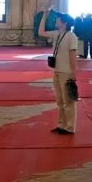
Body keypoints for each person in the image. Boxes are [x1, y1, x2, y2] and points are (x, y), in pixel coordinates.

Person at [37, 7, 79, 135]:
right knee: (60, 101)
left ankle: (70, 127)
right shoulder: (57, 33)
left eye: (58, 19)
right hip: (56, 70)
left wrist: (73, 74)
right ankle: (62, 124)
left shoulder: (72, 37)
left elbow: (73, 57)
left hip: (66, 72)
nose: (56, 20)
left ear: (64, 23)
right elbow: (41, 32)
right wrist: (45, 15)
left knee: (68, 101)